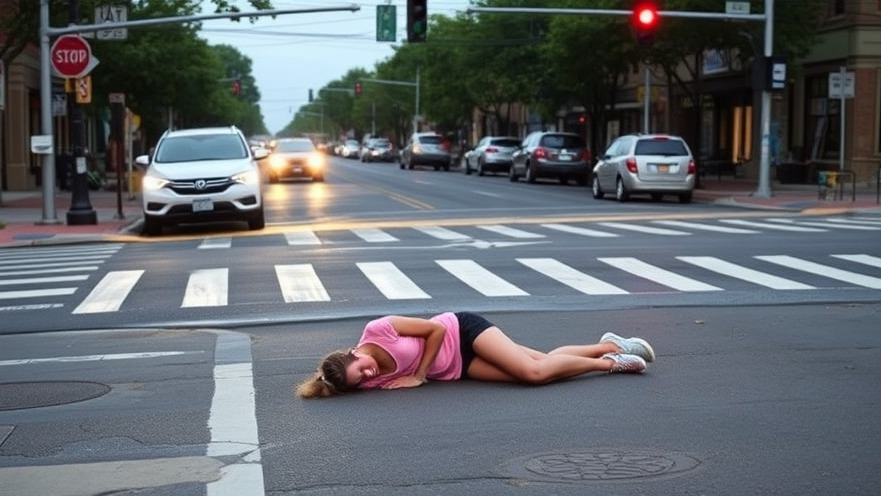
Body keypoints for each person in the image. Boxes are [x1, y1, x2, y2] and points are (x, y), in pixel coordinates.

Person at [296, 312, 655, 399]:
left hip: (462, 331)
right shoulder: (366, 382)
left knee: (534, 374)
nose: (370, 376)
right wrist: (331, 388)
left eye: (364, 369)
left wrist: (419, 374)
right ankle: (607, 345)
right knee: (543, 364)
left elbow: (433, 330)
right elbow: (334, 384)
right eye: (364, 381)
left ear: (353, 352)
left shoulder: (380, 329)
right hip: (461, 367)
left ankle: (609, 364)